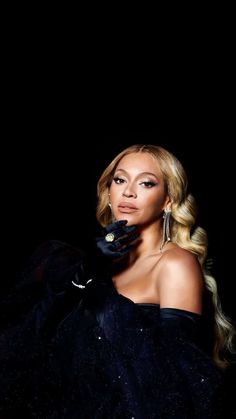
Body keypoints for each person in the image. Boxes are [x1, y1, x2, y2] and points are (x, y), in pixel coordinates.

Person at [0, 144, 235, 418]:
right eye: (120, 179)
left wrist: (104, 303)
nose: (129, 191)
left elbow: (175, 380)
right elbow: (35, 341)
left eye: (146, 183)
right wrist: (89, 270)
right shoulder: (93, 264)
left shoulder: (174, 264)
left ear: (168, 201)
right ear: (108, 192)